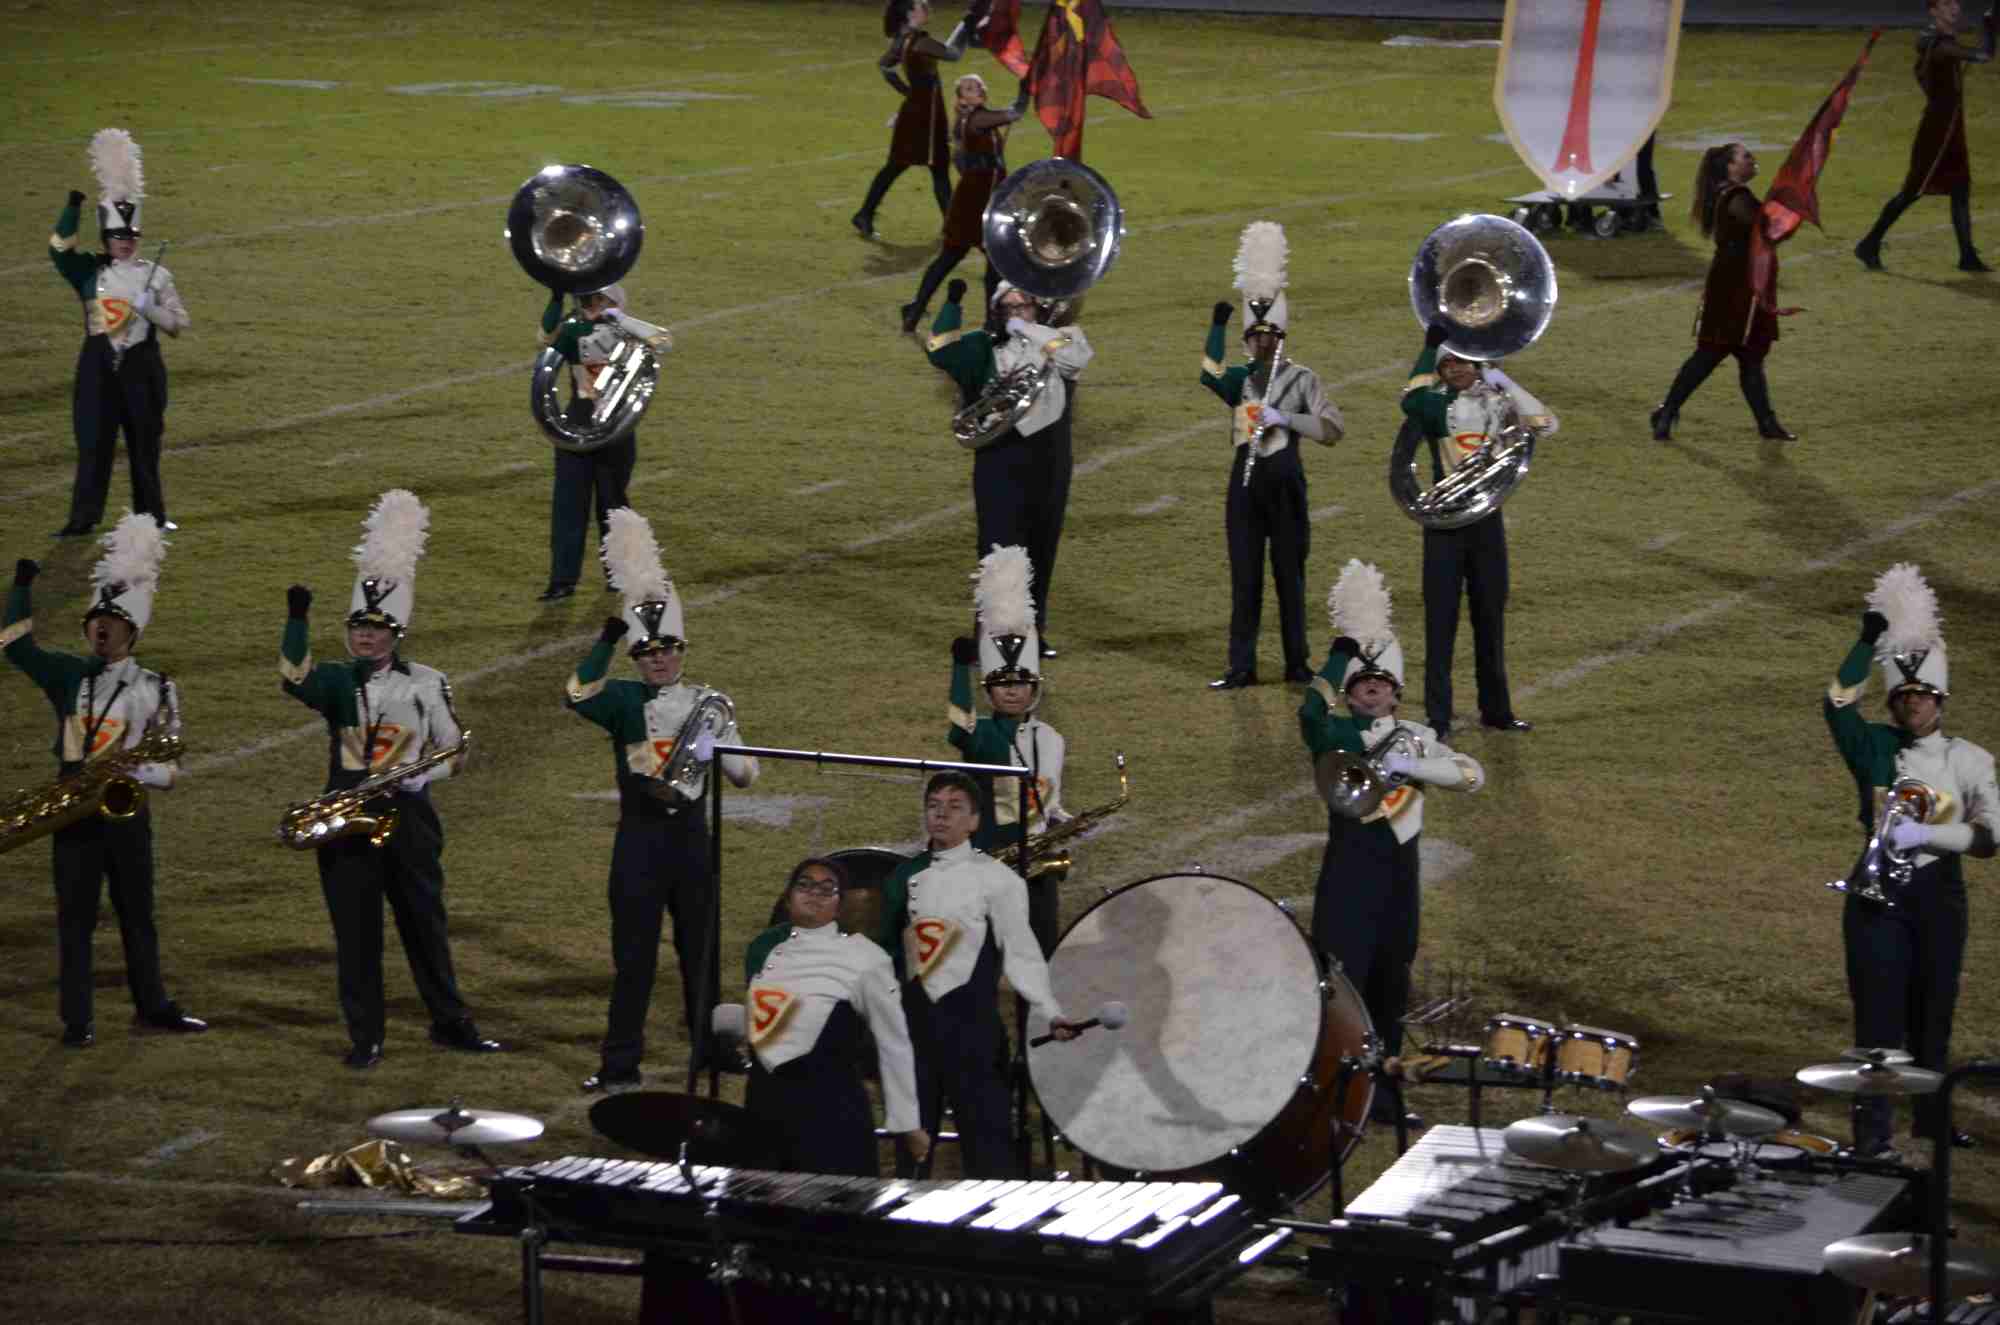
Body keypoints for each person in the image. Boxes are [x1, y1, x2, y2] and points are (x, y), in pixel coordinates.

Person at [279, 490, 499, 1069]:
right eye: (358, 627)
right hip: (347, 818)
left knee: (426, 925)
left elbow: (454, 748)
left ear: (396, 632)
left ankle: (451, 1022)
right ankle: (366, 1037)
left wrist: (424, 778)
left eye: (376, 629)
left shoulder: (426, 681)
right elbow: (294, 678)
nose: (365, 637)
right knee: (357, 936)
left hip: (409, 817)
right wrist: (297, 620)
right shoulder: (336, 680)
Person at [567, 506, 758, 1092]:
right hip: (640, 839)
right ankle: (619, 1062)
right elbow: (578, 694)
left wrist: (721, 742)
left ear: (682, 650)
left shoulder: (708, 703)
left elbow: (746, 775)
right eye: (647, 651)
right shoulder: (623, 700)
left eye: (667, 649)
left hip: (691, 839)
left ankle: (709, 1049)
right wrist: (606, 639)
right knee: (634, 959)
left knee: (701, 952)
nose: (658, 658)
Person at [4, 516, 205, 1047]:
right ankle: (78, 1021)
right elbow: (14, 646)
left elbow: (172, 770)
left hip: (126, 810)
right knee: (74, 921)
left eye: (112, 623)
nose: (100, 629)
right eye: (95, 620)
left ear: (132, 632)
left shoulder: (157, 687)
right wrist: (21, 587)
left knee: (138, 915)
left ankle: (153, 1006)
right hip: (71, 810)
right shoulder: (67, 674)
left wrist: (132, 770)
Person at [1298, 560, 1483, 1124]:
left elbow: (1472, 775)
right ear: (1350, 694)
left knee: (1391, 979)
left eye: (1380, 684)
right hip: (1349, 871)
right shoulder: (1335, 733)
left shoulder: (1418, 737)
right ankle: (1332, 1090)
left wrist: (1415, 765)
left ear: (1396, 693)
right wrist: (1340, 652)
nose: (1371, 689)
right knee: (1343, 981)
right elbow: (1310, 708)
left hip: (1400, 874)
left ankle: (1383, 1091)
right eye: (1361, 684)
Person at [1825, 564, 1998, 1155]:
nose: (1912, 704)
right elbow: (1837, 704)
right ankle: (1872, 1136)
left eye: (1922, 695)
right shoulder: (1873, 745)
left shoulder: (1970, 759)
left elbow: (1992, 837)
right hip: (1877, 894)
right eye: (1902, 695)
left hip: (1939, 894)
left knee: (1934, 1012)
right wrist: (1867, 641)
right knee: (1877, 1019)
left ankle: (1931, 1120)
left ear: (1939, 698)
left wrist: (1927, 835)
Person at [878, 771, 1078, 1177]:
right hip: (915, 1034)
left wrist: (1050, 1010)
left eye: (954, 808)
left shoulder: (997, 879)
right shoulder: (902, 876)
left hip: (973, 1032)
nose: (941, 815)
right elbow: (887, 955)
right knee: (910, 1158)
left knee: (989, 1155)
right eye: (933, 806)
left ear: (974, 821)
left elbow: (1021, 953)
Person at [1201, 221, 1345, 690]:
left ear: (1283, 336)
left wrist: (1287, 418)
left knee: (1290, 578)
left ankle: (1296, 663)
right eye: (1256, 336)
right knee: (1245, 580)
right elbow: (1209, 374)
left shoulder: (1303, 379)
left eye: (1271, 336)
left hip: (1286, 486)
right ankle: (1241, 666)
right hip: (1244, 488)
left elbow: (1332, 429)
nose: (1263, 343)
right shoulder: (1239, 378)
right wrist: (1217, 327)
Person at [1400, 323, 1554, 741]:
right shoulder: (1435, 405)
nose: (1455, 368)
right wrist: (1427, 349)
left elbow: (1545, 424)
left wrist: (1504, 381)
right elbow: (1411, 401)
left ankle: (1497, 710)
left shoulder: (1498, 403)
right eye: (1447, 364)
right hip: (1445, 525)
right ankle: (1438, 717)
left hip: (1487, 523)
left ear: (1478, 363)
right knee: (1440, 622)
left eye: (1463, 361)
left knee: (1490, 617)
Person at [926, 281, 1092, 654]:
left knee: (1041, 547)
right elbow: (939, 348)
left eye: (1024, 306)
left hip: (1050, 461)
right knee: (1000, 549)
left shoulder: (1063, 337)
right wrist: (952, 303)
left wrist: (1027, 329)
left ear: (1039, 309)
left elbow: (1075, 359)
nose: (1016, 312)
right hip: (999, 461)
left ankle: (1033, 635)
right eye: (1008, 307)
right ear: (995, 311)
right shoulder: (981, 347)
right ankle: (989, 638)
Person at [741, 857, 929, 1175]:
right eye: (804, 885)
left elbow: (893, 1041)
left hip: (831, 1112)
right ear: (787, 899)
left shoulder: (865, 958)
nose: (814, 893)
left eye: (827, 888)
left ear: (840, 906)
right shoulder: (764, 950)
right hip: (766, 1108)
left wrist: (907, 1122)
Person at [49, 129, 189, 540]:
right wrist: (72, 207)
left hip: (142, 366)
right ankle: (82, 519)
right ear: (106, 239)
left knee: (145, 445)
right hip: (97, 367)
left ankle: (153, 516)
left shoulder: (157, 275)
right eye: (117, 237)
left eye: (130, 237)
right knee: (93, 445)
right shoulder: (88, 271)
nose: (124, 243)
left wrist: (151, 309)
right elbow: (59, 250)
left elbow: (179, 323)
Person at [949, 544, 1066, 949]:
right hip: (988, 852)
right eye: (1002, 684)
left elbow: (1049, 794)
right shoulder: (981, 733)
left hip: (1037, 857)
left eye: (1020, 683)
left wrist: (1059, 819)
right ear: (989, 691)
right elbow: (958, 729)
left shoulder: (1050, 738)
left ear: (1034, 687)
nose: (1012, 691)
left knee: (1043, 940)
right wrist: (959, 670)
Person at [1649, 142, 1797, 442]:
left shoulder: (1727, 194)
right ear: (1730, 167)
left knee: (1746, 355)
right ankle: (1667, 411)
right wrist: (1793, 208)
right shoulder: (1736, 196)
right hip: (1737, 286)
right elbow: (1768, 230)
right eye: (1745, 157)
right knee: (1714, 352)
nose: (1753, 159)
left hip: (1737, 282)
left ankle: (1766, 423)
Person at [533, 282, 669, 601]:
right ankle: (562, 580)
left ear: (614, 303)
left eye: (597, 299)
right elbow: (545, 338)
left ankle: (619, 576)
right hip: (577, 426)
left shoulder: (628, 332)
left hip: (617, 430)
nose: (588, 304)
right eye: (586, 299)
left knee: (613, 507)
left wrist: (619, 319)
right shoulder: (574, 330)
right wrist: (556, 297)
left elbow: (663, 341)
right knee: (568, 506)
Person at [1855, 0, 1995, 274]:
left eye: (1955, 2)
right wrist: (1989, 26)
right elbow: (1983, 55)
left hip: (1950, 126)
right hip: (1937, 130)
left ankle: (1967, 255)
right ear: (1934, 10)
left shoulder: (1939, 40)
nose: (1955, 7)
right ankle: (1869, 243)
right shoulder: (1939, 45)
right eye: (1946, 3)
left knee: (1960, 188)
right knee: (1912, 192)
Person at [899, 73, 1030, 333]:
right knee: (977, 258)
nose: (976, 89)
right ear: (961, 98)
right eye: (968, 88)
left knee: (960, 258)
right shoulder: (978, 119)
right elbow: (1015, 112)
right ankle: (991, 321)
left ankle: (916, 309)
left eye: (978, 86)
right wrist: (1026, 89)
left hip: (978, 197)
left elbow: (962, 161)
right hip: (976, 201)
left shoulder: (972, 120)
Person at [851, 0, 979, 240]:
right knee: (924, 167)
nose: (926, 7)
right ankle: (952, 227)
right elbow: (953, 54)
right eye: (921, 5)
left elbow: (885, 67)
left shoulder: (904, 39)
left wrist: (909, 92)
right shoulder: (920, 41)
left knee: (913, 167)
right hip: (924, 116)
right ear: (910, 14)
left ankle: (865, 214)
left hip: (919, 111)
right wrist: (967, 23)